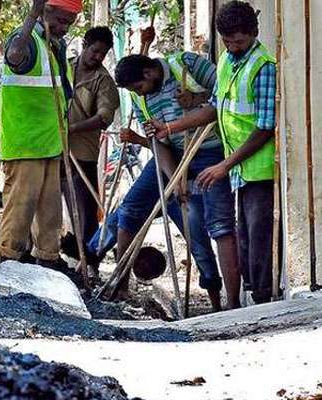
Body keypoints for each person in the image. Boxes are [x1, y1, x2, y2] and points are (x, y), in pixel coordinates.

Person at [84, 38, 242, 310]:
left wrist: (196, 98)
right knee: (131, 207)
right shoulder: (139, 97)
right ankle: (120, 285)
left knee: (208, 226)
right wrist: (176, 176)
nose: (140, 94)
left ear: (149, 73)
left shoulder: (187, 64)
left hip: (208, 151)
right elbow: (158, 141)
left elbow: (227, 96)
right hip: (170, 156)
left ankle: (227, 303)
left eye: (139, 87)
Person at [148, 0, 278, 304]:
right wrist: (170, 129)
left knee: (258, 238)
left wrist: (223, 165)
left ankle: (260, 300)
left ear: (254, 33)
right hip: (239, 168)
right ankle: (250, 298)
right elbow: (214, 109)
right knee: (244, 236)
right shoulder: (226, 62)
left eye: (240, 41)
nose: (233, 47)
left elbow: (264, 127)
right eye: (228, 41)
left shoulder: (264, 66)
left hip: (257, 166)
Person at [0, 0, 81, 269]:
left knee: (50, 211)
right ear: (47, 10)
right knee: (21, 207)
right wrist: (32, 15)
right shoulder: (27, 39)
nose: (64, 28)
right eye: (61, 20)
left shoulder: (55, 45)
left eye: (70, 22)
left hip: (51, 141)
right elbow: (14, 57)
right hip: (25, 142)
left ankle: (48, 258)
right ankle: (9, 259)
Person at [62, 26, 119, 278]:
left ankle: (89, 263)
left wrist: (72, 129)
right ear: (85, 45)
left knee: (84, 211)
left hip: (82, 153)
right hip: (54, 148)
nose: (98, 57)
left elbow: (104, 117)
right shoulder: (64, 66)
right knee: (51, 206)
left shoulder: (103, 81)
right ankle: (54, 255)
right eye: (95, 51)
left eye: (103, 54)